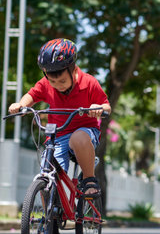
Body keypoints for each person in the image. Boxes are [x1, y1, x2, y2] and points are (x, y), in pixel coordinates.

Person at [9, 38, 111, 198]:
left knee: (78, 137)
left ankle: (89, 178)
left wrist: (97, 108)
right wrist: (21, 105)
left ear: (74, 70)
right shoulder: (46, 84)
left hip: (85, 132)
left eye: (62, 80)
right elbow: (32, 95)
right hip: (58, 137)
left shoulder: (89, 83)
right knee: (47, 177)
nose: (57, 85)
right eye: (53, 81)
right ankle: (50, 219)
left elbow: (106, 107)